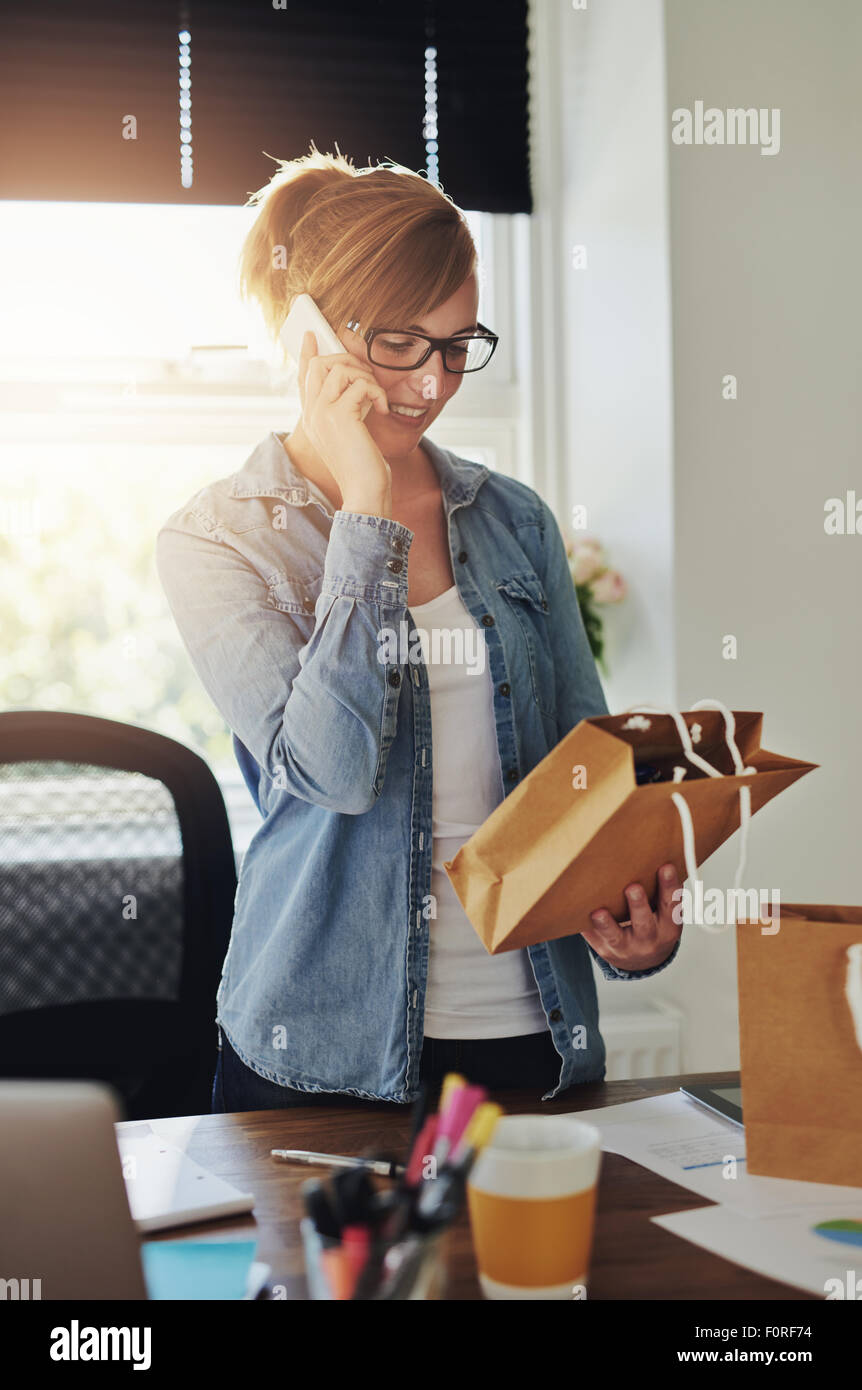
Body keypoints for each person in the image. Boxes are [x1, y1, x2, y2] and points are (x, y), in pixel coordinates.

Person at [156, 146, 682, 1113]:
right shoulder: (217, 540)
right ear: (311, 334)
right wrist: (367, 513)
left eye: (456, 346)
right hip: (322, 1054)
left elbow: (585, 768)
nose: (432, 384)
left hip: (533, 1040)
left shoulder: (512, 518)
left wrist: (634, 918)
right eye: (400, 343)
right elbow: (334, 773)